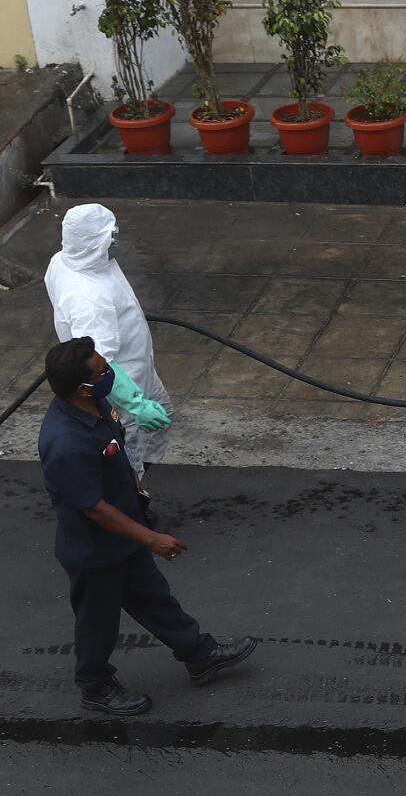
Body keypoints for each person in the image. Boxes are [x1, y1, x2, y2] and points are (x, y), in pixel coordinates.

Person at [38, 337, 257, 716]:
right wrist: (152, 538)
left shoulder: (96, 405)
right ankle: (94, 686)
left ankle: (199, 653)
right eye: (104, 372)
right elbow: (95, 510)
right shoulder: (65, 442)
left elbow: (115, 452)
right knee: (98, 622)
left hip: (125, 533)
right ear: (81, 387)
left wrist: (136, 487)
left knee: (154, 597)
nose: (112, 376)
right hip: (96, 549)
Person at [44, 203, 171, 519]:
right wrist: (135, 403)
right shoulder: (90, 300)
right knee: (128, 453)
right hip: (120, 388)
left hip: (139, 371)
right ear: (95, 242)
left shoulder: (68, 261)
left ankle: (130, 489)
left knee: (163, 417)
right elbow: (99, 364)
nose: (116, 240)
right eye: (110, 236)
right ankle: (133, 509)